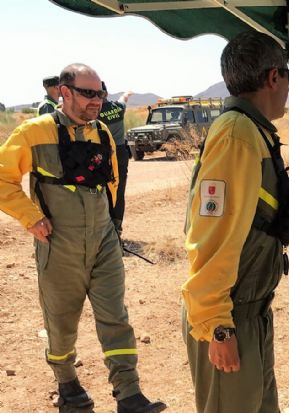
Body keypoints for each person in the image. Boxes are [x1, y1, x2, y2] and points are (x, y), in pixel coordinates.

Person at [0, 63, 166, 413]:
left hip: (103, 239)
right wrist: (31, 218)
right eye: (89, 93)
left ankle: (129, 392)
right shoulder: (35, 131)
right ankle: (68, 386)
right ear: (65, 91)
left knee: (115, 316)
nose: (97, 101)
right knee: (61, 321)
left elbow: (113, 183)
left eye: (101, 93)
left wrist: (111, 225)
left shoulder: (103, 132)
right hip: (58, 243)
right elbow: (2, 179)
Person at [182, 31, 289, 413]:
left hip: (249, 313)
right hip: (230, 317)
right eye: (288, 75)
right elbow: (210, 235)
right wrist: (218, 324)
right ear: (273, 78)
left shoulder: (253, 130)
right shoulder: (237, 134)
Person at [98, 82, 133, 235]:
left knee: (103, 190)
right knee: (118, 191)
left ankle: (106, 228)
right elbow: (123, 99)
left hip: (102, 153)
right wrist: (127, 93)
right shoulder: (118, 108)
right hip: (120, 153)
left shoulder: (94, 113)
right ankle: (116, 228)